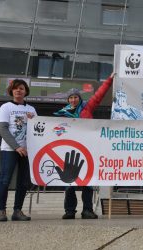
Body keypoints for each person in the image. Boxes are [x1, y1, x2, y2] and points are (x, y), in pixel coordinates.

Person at [54, 73, 115, 219]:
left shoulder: (87, 109)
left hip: (87, 150)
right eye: (71, 97)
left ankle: (87, 210)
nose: (73, 99)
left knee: (88, 182)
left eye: (76, 97)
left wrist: (110, 79)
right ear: (68, 100)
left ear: (79, 98)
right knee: (69, 182)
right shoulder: (62, 114)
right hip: (69, 152)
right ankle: (69, 211)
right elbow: (53, 131)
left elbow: (99, 94)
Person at [0, 79, 37, 222]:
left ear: (26, 91)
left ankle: (17, 211)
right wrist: (16, 146)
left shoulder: (31, 109)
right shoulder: (5, 107)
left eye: (21, 88)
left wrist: (33, 121)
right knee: (5, 180)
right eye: (16, 88)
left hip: (27, 150)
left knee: (23, 182)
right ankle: (1, 211)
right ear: (11, 91)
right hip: (10, 149)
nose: (19, 90)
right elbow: (2, 128)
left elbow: (37, 130)